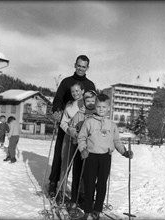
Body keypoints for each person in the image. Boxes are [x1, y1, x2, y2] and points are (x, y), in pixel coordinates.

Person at [78, 94, 133, 220]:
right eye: (98, 106)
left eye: (104, 107)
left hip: (105, 157)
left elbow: (117, 141)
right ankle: (87, 211)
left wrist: (124, 152)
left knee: (102, 184)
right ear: (95, 107)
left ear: (109, 108)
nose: (101, 109)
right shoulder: (89, 121)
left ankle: (97, 210)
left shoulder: (112, 125)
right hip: (90, 156)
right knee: (89, 184)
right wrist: (83, 149)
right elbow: (81, 137)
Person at [48, 55, 96, 197]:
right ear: (75, 65)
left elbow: (94, 104)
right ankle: (53, 183)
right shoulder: (66, 82)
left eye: (84, 66)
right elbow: (57, 100)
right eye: (79, 65)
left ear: (87, 67)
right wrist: (57, 110)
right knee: (61, 156)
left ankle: (81, 191)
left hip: (84, 128)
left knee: (83, 161)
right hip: (67, 124)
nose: (81, 68)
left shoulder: (90, 85)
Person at [68, 90, 97, 209]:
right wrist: (75, 133)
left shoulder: (98, 115)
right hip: (79, 147)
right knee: (77, 173)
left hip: (93, 148)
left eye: (93, 101)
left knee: (89, 176)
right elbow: (71, 127)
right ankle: (74, 199)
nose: (90, 103)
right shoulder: (78, 114)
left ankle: (86, 198)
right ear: (84, 101)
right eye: (88, 100)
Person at [56, 81, 85, 202]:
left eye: (77, 90)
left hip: (84, 138)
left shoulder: (88, 103)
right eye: (73, 91)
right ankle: (61, 191)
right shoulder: (69, 106)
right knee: (65, 164)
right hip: (70, 137)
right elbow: (63, 122)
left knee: (83, 167)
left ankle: (81, 194)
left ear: (82, 91)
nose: (75, 93)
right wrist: (69, 130)